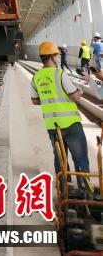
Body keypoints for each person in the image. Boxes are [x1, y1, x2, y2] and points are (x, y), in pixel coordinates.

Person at [31, 41, 90, 189]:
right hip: (71, 124)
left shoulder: (36, 78)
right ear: (51, 56)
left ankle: (64, 189)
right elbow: (75, 96)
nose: (58, 58)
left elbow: (35, 100)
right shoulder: (60, 74)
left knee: (60, 157)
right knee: (80, 158)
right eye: (56, 55)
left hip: (52, 125)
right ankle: (84, 190)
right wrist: (80, 91)